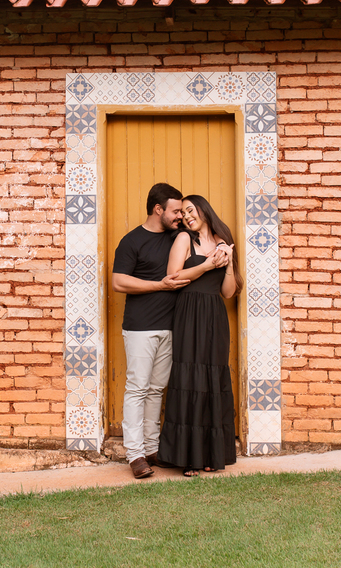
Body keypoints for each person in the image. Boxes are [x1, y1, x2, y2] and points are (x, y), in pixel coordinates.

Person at [110, 182, 200, 479]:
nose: (180, 216)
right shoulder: (132, 241)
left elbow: (208, 241)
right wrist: (159, 285)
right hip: (140, 328)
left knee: (156, 390)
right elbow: (119, 282)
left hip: (172, 327)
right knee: (137, 389)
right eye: (175, 211)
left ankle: (151, 449)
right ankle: (134, 454)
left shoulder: (180, 237)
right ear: (158, 210)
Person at [157, 194, 242, 476]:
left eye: (190, 210)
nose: (186, 216)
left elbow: (228, 292)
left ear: (204, 209)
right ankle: (189, 458)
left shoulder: (223, 238)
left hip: (214, 315)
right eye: (183, 213)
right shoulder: (184, 239)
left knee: (212, 378)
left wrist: (228, 264)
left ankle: (211, 455)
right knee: (189, 377)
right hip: (188, 311)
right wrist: (206, 265)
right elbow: (173, 277)